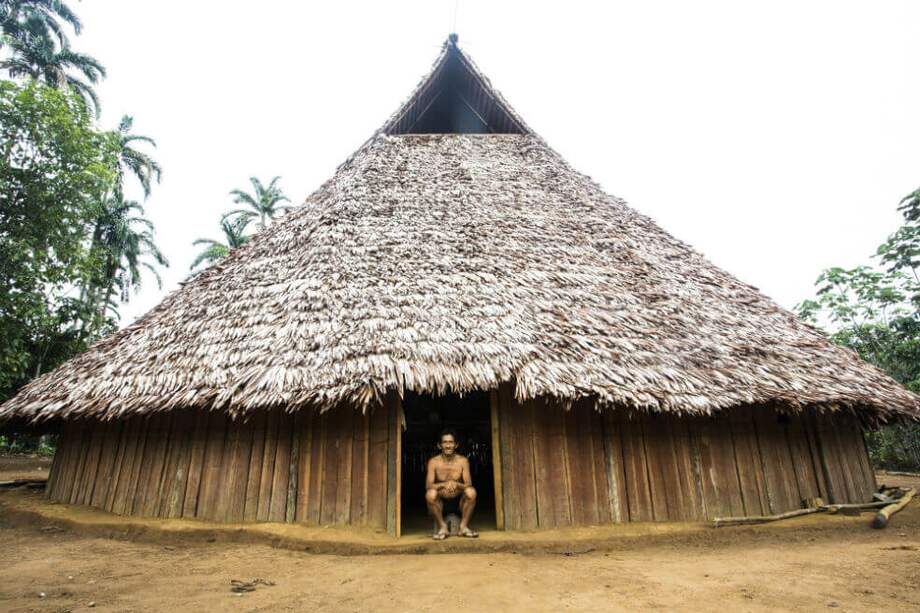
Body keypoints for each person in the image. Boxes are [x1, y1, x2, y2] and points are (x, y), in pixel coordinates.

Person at [425, 429, 478, 540]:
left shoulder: (463, 461)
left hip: (460, 502)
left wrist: (456, 484)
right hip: (440, 502)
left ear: (456, 444)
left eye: (451, 442)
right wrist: (445, 484)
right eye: (445, 442)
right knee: (430, 494)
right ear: (439, 445)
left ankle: (463, 527)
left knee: (471, 492)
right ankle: (442, 527)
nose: (448, 445)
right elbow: (428, 485)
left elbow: (468, 484)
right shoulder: (433, 462)